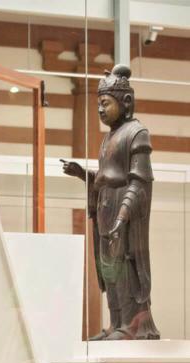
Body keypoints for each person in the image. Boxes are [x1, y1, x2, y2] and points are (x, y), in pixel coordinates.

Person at [62, 64, 159, 340]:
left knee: (125, 265)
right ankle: (116, 322)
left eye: (105, 103)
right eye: (98, 105)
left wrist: (123, 216)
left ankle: (133, 325)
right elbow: (106, 177)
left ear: (125, 102)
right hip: (107, 209)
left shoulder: (137, 133)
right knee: (109, 269)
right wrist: (84, 174)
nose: (101, 110)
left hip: (124, 213)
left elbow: (139, 182)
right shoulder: (108, 138)